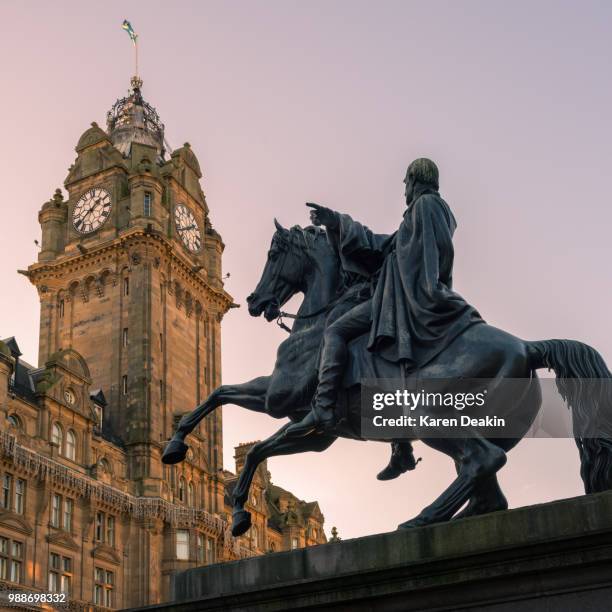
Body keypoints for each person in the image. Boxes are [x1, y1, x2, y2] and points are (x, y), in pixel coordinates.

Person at [286, 158, 483, 437]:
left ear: (414, 181)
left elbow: (407, 255)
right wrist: (336, 222)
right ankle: (400, 444)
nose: (404, 191)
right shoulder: (427, 212)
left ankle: (324, 406)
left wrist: (409, 283)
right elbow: (388, 246)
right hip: (405, 291)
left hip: (404, 296)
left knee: (336, 331)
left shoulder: (426, 207)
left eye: (405, 184)